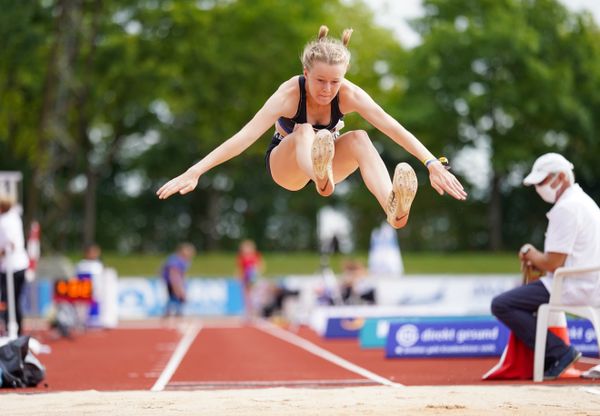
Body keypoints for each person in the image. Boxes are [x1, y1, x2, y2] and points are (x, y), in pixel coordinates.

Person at [157, 25, 467, 228]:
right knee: (305, 130)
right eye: (320, 81)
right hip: (288, 165)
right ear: (306, 72)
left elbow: (392, 126)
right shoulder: (289, 94)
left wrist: (431, 163)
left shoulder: (349, 93)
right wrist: (195, 170)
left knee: (359, 137)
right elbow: (244, 137)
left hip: (328, 161)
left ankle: (394, 207)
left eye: (336, 81)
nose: (328, 89)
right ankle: (320, 176)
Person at [491, 153, 600, 380]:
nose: (539, 188)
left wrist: (529, 253)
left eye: (541, 182)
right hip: (588, 280)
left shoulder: (567, 208)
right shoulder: (584, 202)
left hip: (570, 284)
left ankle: (559, 352)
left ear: (560, 177)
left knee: (501, 304)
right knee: (517, 300)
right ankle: (555, 353)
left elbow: (553, 262)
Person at [0, 194, 30, 336]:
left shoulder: (5, 221)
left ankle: (13, 330)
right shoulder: (14, 217)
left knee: (9, 301)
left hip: (11, 267)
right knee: (14, 300)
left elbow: (9, 245)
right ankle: (15, 330)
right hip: (20, 264)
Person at [161, 243, 196, 317]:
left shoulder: (185, 261)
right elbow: (173, 275)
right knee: (175, 296)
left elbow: (182, 274)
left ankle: (175, 312)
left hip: (175, 280)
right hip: (171, 281)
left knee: (176, 297)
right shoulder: (176, 260)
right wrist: (178, 288)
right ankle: (170, 312)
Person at [237, 239, 263, 320]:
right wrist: (239, 277)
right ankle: (248, 313)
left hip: (253, 279)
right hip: (245, 279)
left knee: (254, 297)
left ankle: (255, 313)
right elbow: (240, 268)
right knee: (246, 297)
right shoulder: (241, 257)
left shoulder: (256, 255)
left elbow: (260, 266)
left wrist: (255, 274)